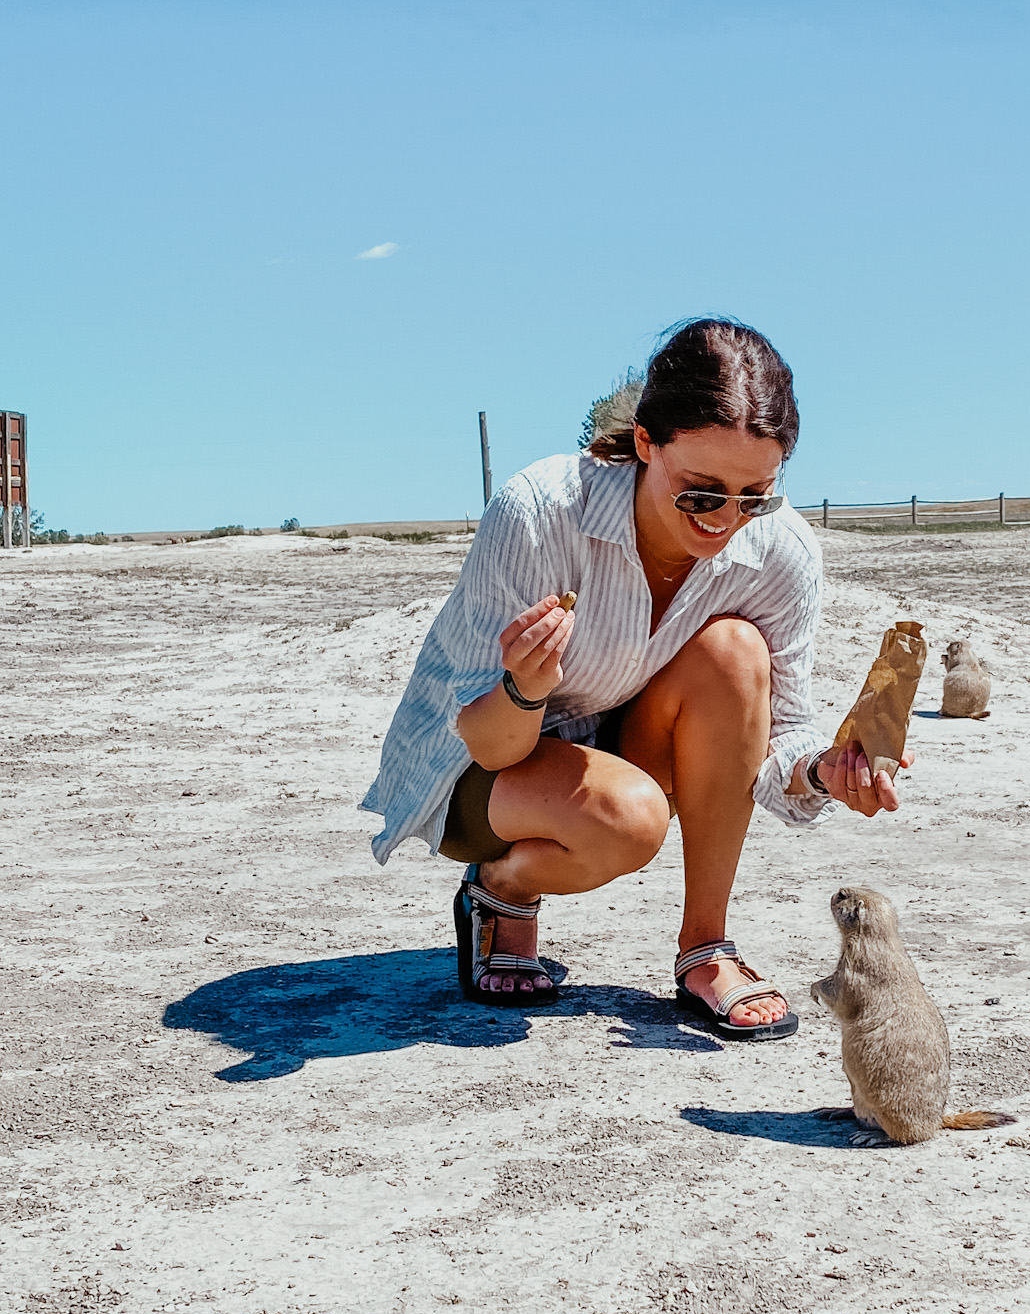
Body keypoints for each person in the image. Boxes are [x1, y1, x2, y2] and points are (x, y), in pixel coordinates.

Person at [360, 317, 908, 1041]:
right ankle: (503, 888)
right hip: (476, 766)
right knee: (630, 819)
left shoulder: (781, 552)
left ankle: (705, 947)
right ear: (645, 444)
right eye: (701, 492)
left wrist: (822, 771)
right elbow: (488, 744)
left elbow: (775, 735)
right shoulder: (541, 511)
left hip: (617, 752)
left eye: (756, 495)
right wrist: (526, 683)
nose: (727, 520)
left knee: (736, 652)